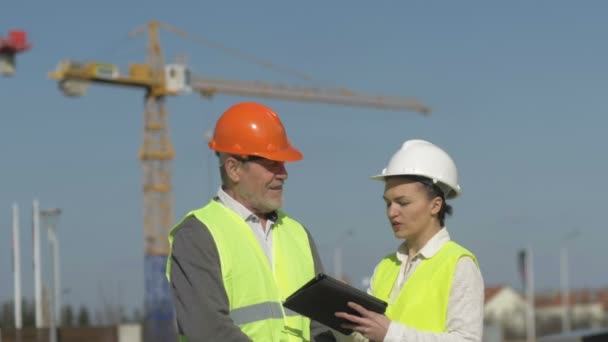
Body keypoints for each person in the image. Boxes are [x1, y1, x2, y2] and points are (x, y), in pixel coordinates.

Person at [166, 102, 335, 341]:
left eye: (283, 163)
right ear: (234, 169)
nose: (283, 173)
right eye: (271, 164)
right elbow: (208, 330)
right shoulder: (198, 234)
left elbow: (319, 327)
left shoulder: (299, 234)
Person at [335, 139, 484, 342]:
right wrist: (344, 324)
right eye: (388, 203)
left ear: (435, 205)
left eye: (403, 203)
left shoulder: (459, 264)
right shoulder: (386, 266)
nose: (391, 212)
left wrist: (391, 334)